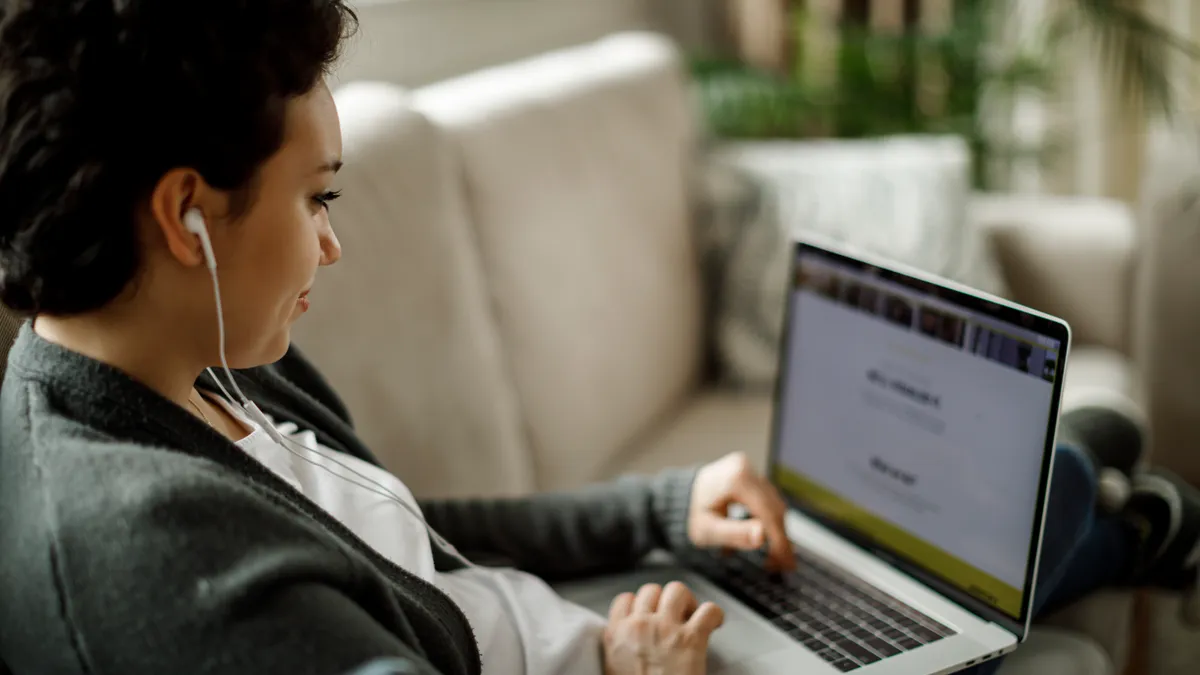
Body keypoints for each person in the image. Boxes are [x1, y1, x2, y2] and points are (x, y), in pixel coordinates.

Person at [0, 3, 1196, 675]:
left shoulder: (200, 357)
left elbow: (409, 542)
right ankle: (1114, 499)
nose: (332, 246)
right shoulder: (150, 555)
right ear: (185, 216)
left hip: (615, 618)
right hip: (633, 660)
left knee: (899, 551)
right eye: (318, 199)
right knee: (1017, 509)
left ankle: (1112, 498)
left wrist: (662, 510)